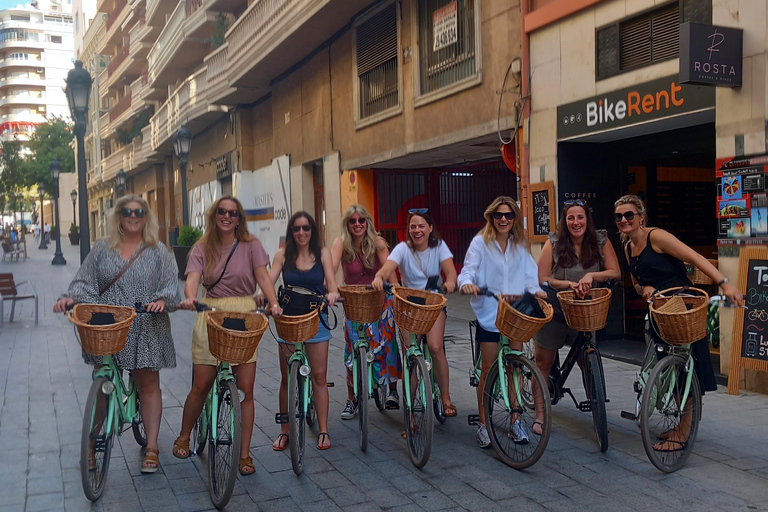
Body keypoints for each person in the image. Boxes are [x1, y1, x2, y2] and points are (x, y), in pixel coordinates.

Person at [53, 194, 180, 474]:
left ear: (146, 217)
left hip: (145, 324)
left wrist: (161, 300)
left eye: (138, 211)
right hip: (108, 326)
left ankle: (152, 447)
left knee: (147, 385)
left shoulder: (158, 251)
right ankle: (91, 442)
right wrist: (70, 299)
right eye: (127, 211)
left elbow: (171, 286)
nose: (133, 216)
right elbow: (83, 282)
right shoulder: (102, 249)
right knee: (102, 385)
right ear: (118, 216)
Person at [614, 194, 743, 452]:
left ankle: (683, 432)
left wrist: (724, 282)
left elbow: (694, 257)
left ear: (641, 217)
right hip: (661, 311)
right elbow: (638, 285)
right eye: (619, 216)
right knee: (672, 370)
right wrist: (646, 288)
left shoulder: (657, 237)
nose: (624, 220)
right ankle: (682, 424)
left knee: (688, 369)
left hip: (683, 308)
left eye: (629, 215)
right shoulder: (627, 248)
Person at [174, 196, 283, 476]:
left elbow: (263, 277)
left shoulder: (251, 245)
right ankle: (185, 434)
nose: (227, 216)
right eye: (222, 212)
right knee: (201, 383)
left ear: (239, 218)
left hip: (244, 313)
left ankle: (244, 454)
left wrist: (273, 303)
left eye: (233, 213)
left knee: (246, 389)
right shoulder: (201, 247)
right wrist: (189, 298)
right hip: (211, 312)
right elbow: (193, 279)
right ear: (214, 215)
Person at [457, 196, 546, 447]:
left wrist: (536, 290)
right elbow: (468, 270)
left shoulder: (520, 245)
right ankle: (483, 424)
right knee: (487, 369)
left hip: (515, 312)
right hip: (489, 312)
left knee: (515, 367)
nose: (504, 219)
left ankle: (516, 420)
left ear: (515, 218)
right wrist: (467, 284)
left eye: (509, 215)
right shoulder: (480, 243)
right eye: (499, 215)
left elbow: (530, 274)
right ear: (491, 217)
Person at [258, 212, 340, 451]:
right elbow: (269, 279)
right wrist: (265, 295)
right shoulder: (283, 255)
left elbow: (332, 283)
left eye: (306, 228)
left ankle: (323, 429)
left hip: (316, 318)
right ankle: (285, 431)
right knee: (286, 378)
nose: (301, 233)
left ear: (312, 230)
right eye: (296, 229)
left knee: (320, 377)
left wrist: (333, 293)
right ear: (291, 231)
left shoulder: (323, 254)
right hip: (289, 319)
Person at [371, 208, 458, 418]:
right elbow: (388, 267)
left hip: (433, 303)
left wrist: (450, 282)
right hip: (408, 305)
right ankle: (410, 412)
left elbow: (451, 270)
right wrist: (379, 277)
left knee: (436, 348)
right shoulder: (402, 249)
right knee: (411, 355)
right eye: (413, 226)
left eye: (421, 226)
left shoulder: (439, 247)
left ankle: (445, 397)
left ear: (429, 228)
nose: (417, 230)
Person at [535, 199, 621, 399]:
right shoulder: (554, 242)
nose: (576, 222)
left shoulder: (601, 240)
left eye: (580, 217)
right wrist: (567, 285)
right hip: (555, 309)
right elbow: (540, 277)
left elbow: (615, 272)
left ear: (587, 219)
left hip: (585, 311)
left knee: (588, 361)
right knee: (543, 363)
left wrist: (591, 276)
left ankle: (597, 409)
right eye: (570, 218)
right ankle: (540, 415)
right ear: (565, 221)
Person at [331, 205, 401, 419]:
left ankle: (392, 391)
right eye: (353, 221)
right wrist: (331, 290)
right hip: (354, 302)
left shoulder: (378, 242)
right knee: (351, 350)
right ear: (347, 224)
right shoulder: (341, 243)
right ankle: (351, 399)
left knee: (387, 344)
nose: (358, 224)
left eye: (361, 220)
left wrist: (396, 291)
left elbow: (390, 271)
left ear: (368, 222)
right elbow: (330, 269)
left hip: (380, 300)